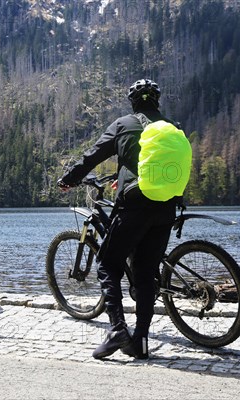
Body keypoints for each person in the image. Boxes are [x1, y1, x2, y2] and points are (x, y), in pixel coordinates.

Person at [57, 79, 182, 359]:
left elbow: (92, 157)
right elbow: (153, 165)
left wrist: (69, 179)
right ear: (156, 102)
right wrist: (121, 176)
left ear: (133, 102)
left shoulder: (123, 124)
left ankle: (116, 329)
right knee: (146, 274)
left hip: (135, 205)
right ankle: (140, 341)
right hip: (166, 207)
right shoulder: (171, 127)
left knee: (107, 262)